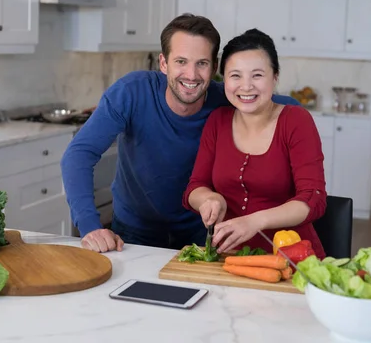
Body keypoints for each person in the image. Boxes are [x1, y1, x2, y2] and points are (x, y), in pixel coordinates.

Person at [60, 14, 299, 253]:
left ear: (214, 67)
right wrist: (90, 227)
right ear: (163, 63)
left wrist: (297, 120)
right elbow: (79, 153)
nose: (192, 74)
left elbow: (283, 104)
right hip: (133, 231)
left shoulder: (227, 101)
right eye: (181, 61)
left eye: (202, 63)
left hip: (202, 233)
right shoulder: (131, 92)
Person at [182, 28, 328, 259]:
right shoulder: (217, 121)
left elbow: (313, 198)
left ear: (275, 77)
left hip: (292, 259)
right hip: (229, 260)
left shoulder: (296, 121)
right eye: (236, 75)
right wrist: (209, 199)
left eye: (257, 75)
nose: (246, 86)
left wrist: (255, 221)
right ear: (224, 80)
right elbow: (195, 187)